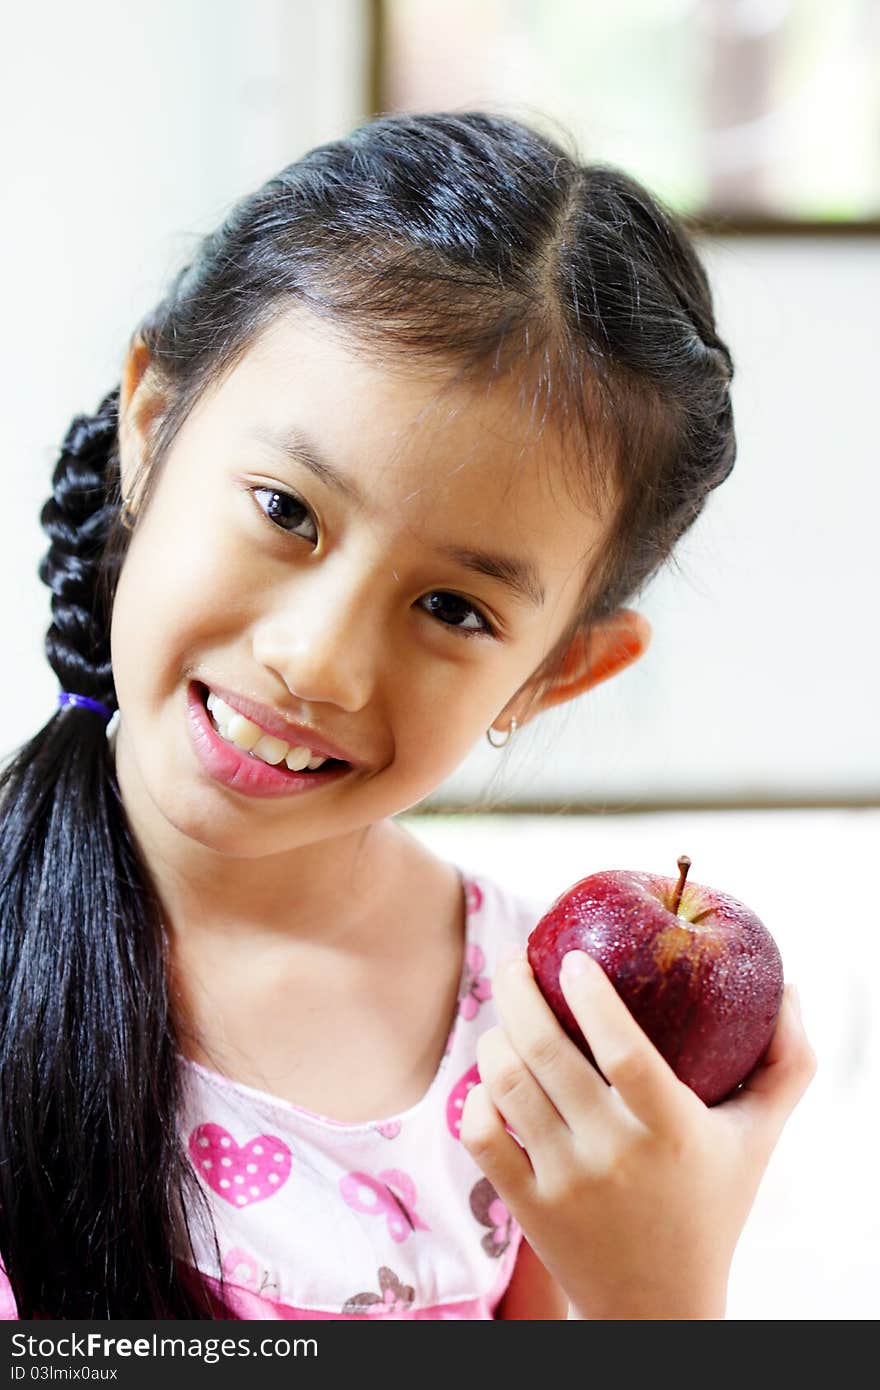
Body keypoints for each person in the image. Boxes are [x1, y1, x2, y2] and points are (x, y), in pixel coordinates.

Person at [0, 110, 815, 1320]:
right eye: (285, 509)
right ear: (151, 425)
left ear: (556, 673)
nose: (318, 662)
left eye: (452, 605)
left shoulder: (537, 1037)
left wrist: (661, 1295)